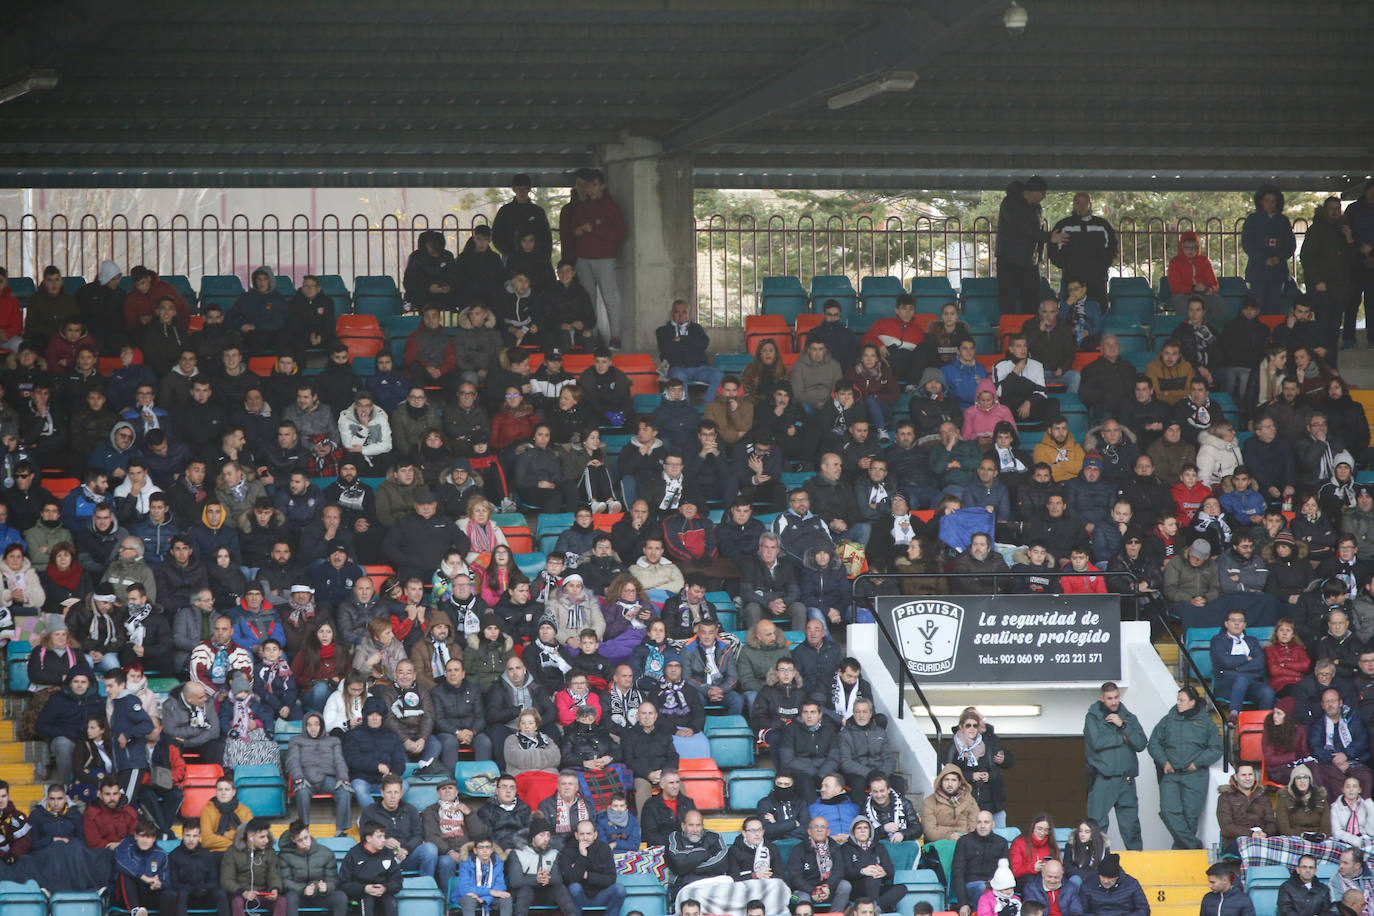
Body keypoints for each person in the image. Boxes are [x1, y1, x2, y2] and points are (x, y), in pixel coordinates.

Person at [1147, 686, 1222, 849]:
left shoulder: (1206, 722)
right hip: (1171, 774)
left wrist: (1198, 762)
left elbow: (1216, 748)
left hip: (1195, 775)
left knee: (1190, 819)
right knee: (1167, 811)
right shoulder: (1168, 720)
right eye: (1178, 700)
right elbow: (1153, 743)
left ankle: (1182, 855)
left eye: (1182, 700)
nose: (1178, 703)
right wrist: (1164, 761)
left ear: (1193, 702)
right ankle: (1194, 847)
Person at [1083, 681, 1147, 851]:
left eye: (1116, 697)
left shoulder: (1128, 717)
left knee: (1131, 825)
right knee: (1097, 825)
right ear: (1102, 698)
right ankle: (1096, 864)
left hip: (1126, 780)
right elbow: (1096, 742)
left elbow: (1141, 743)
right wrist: (1123, 738)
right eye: (1109, 698)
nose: (1114, 701)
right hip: (1102, 779)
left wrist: (1123, 725)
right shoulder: (1092, 717)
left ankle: (1137, 866)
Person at [996, 176, 1067, 314]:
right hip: (1009, 259)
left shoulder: (1036, 208)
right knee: (1008, 298)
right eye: (1042, 193)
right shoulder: (1010, 203)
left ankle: (1030, 329)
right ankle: (1008, 329)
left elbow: (1034, 232)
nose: (1044, 196)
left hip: (1029, 260)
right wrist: (1049, 237)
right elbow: (1022, 228)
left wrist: (1038, 254)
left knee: (1031, 298)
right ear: (1033, 192)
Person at [285, 711, 351, 838]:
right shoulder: (296, 740)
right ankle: (304, 829)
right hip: (305, 779)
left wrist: (343, 778)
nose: (313, 728)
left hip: (328, 779)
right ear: (305, 726)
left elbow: (339, 761)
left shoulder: (334, 741)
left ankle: (340, 830)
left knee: (345, 791)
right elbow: (292, 761)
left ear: (322, 726)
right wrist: (299, 777)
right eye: (309, 725)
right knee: (302, 792)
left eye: (316, 724)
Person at [360, 774, 437, 879]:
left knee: (430, 849)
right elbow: (364, 838)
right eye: (389, 792)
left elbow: (418, 835)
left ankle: (426, 887)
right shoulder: (370, 811)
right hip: (381, 858)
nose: (393, 796)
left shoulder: (410, 810)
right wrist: (383, 842)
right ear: (382, 793)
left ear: (401, 793)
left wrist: (406, 850)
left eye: (396, 792)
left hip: (407, 856)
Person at [1049, 193, 1118, 305]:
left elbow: (1112, 247)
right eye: (1078, 203)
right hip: (1071, 278)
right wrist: (1067, 265)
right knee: (1070, 312)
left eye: (1085, 203)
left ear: (1090, 205)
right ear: (1073, 205)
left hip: (1097, 279)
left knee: (1097, 310)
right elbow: (1053, 249)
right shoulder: (1063, 225)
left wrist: (1102, 265)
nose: (1082, 206)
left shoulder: (1102, 225)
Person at [1211, 609, 1277, 721]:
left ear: (1245, 625)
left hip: (1250, 683)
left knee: (1267, 691)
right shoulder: (1218, 640)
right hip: (1226, 684)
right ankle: (1234, 714)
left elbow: (1260, 663)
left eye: (1240, 621)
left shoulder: (1252, 641)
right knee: (1241, 678)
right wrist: (1245, 658)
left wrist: (1237, 668)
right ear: (1226, 624)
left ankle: (1264, 724)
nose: (1237, 623)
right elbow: (1224, 661)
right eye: (1233, 620)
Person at [1243, 184, 1297, 312]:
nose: (1270, 204)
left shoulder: (1283, 221)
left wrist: (1279, 258)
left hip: (1278, 273)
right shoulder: (1252, 220)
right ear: (1261, 201)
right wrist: (1264, 259)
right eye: (1267, 201)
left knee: (1274, 308)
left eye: (1273, 201)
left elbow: (1290, 245)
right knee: (1257, 307)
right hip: (1258, 272)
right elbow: (1247, 244)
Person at [278, 820, 348, 916]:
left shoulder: (326, 853)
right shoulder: (285, 855)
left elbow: (333, 879)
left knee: (340, 897)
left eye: (306, 837)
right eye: (300, 840)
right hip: (299, 895)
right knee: (290, 897)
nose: (305, 842)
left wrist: (326, 887)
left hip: (319, 895)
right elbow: (285, 881)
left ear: (309, 833)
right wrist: (303, 890)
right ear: (293, 839)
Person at [558, 819, 626, 916]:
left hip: (601, 895)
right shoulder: (567, 851)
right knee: (574, 888)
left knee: (619, 889)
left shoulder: (604, 848)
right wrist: (582, 856)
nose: (585, 837)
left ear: (595, 835)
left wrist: (586, 875)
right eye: (582, 834)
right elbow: (569, 880)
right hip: (578, 898)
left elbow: (611, 879)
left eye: (588, 834)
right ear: (576, 835)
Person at [221, 817, 286, 916]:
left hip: (262, 894)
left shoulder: (269, 851)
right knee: (237, 902)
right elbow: (227, 880)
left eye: (267, 836)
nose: (266, 840)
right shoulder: (233, 852)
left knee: (281, 901)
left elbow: (274, 875)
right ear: (250, 836)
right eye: (262, 837)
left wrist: (274, 889)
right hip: (240, 894)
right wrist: (243, 892)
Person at [951, 811, 1011, 916]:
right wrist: (963, 903)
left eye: (986, 822)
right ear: (975, 824)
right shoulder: (964, 841)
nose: (982, 826)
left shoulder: (1001, 843)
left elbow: (1006, 872)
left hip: (995, 887)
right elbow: (958, 873)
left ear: (993, 824)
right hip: (971, 886)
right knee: (982, 887)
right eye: (979, 822)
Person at [787, 816, 852, 913]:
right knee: (802, 898)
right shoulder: (798, 849)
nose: (819, 830)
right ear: (809, 831)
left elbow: (839, 870)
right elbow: (795, 877)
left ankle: (834, 915)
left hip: (828, 888)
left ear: (828, 832)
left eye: (823, 827)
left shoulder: (835, 847)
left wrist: (827, 887)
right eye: (816, 827)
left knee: (845, 886)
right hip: (805, 891)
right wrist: (813, 890)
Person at [339, 821, 404, 916]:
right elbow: (343, 883)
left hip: (383, 893)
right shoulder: (353, 854)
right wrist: (364, 888)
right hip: (360, 894)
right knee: (366, 901)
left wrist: (385, 888)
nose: (384, 840)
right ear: (368, 838)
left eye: (384, 836)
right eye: (379, 837)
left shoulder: (387, 854)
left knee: (390, 902)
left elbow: (397, 880)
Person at [113, 818, 172, 916]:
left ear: (154, 839)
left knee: (169, 894)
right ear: (136, 836)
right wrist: (144, 877)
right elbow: (121, 863)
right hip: (128, 896)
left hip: (149, 894)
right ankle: (135, 911)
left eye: (148, 837)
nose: (145, 840)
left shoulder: (161, 854)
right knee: (125, 874)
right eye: (142, 836)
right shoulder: (127, 845)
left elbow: (166, 881)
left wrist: (158, 884)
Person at [1216, 763, 1277, 855]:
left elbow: (1271, 822)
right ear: (1236, 777)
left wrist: (1265, 833)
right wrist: (1250, 834)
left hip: (1263, 839)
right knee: (1256, 850)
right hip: (1235, 841)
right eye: (1243, 775)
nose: (1248, 778)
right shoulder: (1225, 797)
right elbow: (1226, 827)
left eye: (1250, 774)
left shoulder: (1262, 795)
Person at [453, 836, 513, 916]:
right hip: (471, 897)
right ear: (475, 850)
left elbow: (500, 886)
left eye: (487, 847)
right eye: (481, 847)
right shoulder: (466, 862)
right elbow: (464, 889)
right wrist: (490, 892)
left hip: (490, 897)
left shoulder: (498, 862)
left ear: (492, 849)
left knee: (506, 898)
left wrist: (484, 899)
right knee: (468, 899)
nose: (485, 850)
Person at [1077, 853, 1147, 916]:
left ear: (1117, 876)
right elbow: (1080, 911)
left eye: (1109, 878)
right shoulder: (1088, 885)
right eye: (1103, 876)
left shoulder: (1131, 884)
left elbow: (1144, 910)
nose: (1105, 881)